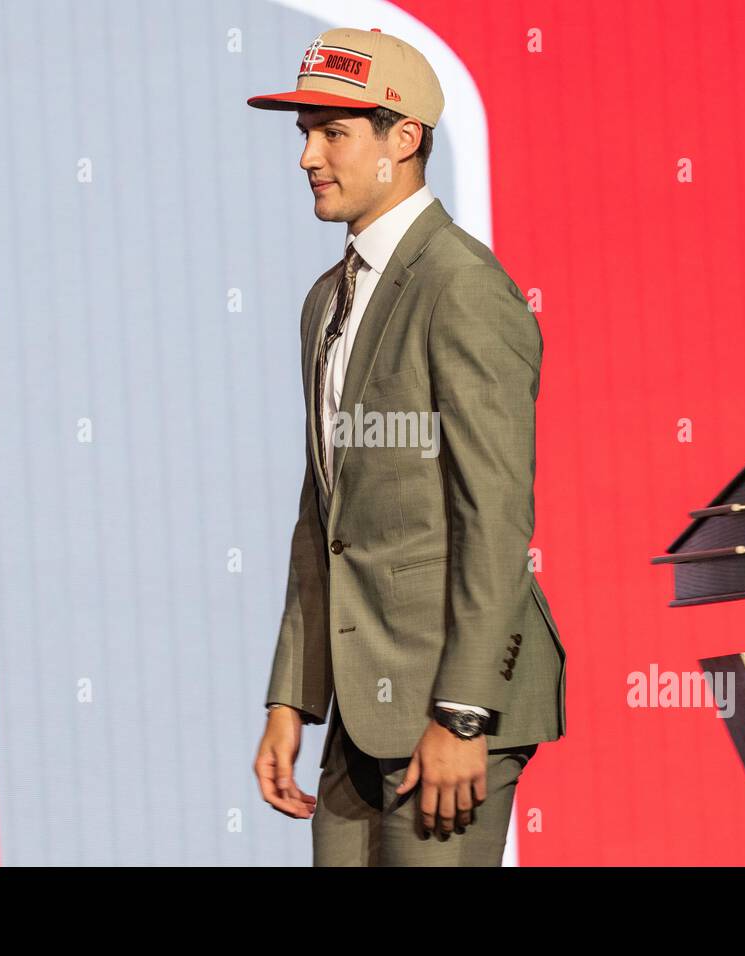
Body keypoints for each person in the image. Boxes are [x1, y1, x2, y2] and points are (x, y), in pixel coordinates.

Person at [248, 26, 565, 866]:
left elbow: (495, 517)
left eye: (334, 132)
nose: (309, 155)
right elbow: (325, 517)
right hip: (358, 709)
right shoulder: (326, 301)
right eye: (305, 133)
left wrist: (465, 713)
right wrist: (292, 697)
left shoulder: (464, 287)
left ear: (404, 139)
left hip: (450, 711)